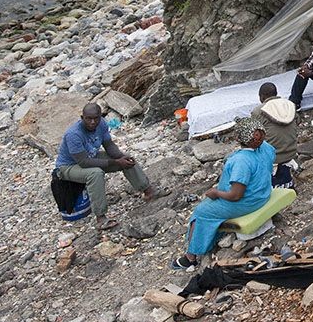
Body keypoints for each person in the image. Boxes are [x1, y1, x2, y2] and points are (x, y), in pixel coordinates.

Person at [171, 115, 276, 270]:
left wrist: (216, 193)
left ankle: (191, 257)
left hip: (248, 202)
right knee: (210, 208)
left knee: (201, 212)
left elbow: (236, 195)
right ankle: (210, 236)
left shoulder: (242, 161)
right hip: (263, 193)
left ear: (239, 137)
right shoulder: (265, 146)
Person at [54, 102, 161, 230]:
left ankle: (148, 191)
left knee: (126, 158)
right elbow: (83, 162)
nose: (93, 122)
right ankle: (101, 217)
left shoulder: (102, 124)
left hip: (90, 157)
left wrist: (120, 157)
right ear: (82, 118)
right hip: (68, 166)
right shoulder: (73, 134)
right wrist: (115, 162)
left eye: (96, 118)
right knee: (95, 174)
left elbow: (109, 145)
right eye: (89, 118)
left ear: (100, 117)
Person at [251, 82, 299, 189]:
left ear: (262, 97)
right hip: (291, 152)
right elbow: (297, 123)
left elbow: (254, 135)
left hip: (273, 157)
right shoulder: (290, 105)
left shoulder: (258, 111)